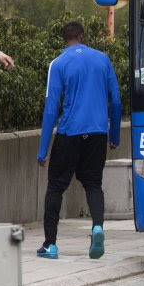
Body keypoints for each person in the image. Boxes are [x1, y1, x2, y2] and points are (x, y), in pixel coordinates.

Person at [36, 22, 122, 260]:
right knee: (93, 184)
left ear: (64, 40)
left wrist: (42, 151)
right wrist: (114, 135)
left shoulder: (59, 63)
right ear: (82, 37)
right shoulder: (103, 60)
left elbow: (51, 110)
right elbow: (115, 101)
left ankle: (50, 245)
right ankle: (97, 227)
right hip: (97, 134)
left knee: (55, 187)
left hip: (69, 134)